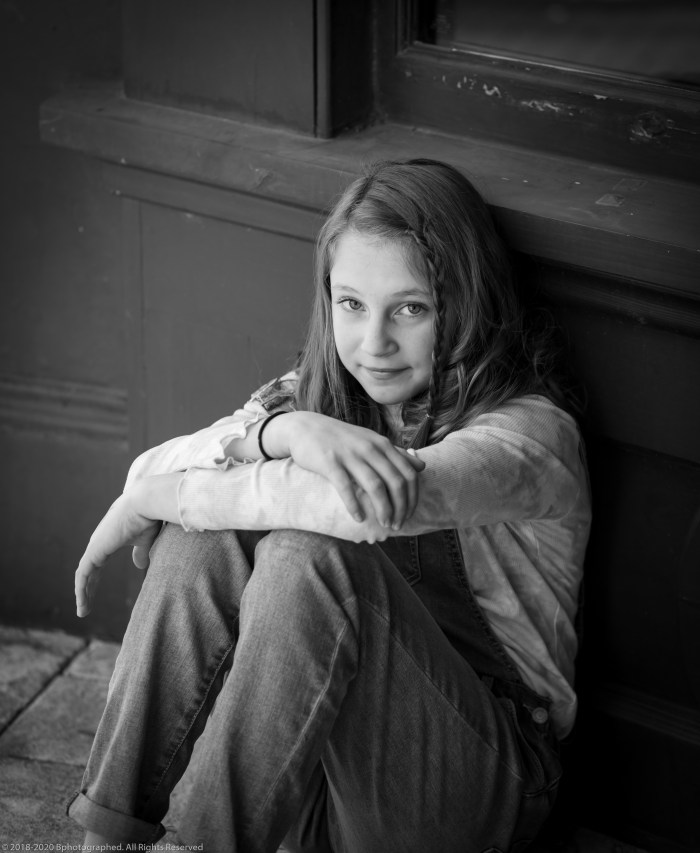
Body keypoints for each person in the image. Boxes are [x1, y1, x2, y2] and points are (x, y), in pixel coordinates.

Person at [67, 159, 591, 852]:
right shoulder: (317, 397)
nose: (374, 344)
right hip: (315, 769)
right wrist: (282, 432)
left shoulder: (527, 436)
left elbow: (363, 508)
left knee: (305, 553)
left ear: (466, 302)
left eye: (411, 308)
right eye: (351, 304)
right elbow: (158, 468)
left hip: (470, 785)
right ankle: (105, 840)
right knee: (200, 537)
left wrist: (152, 497)